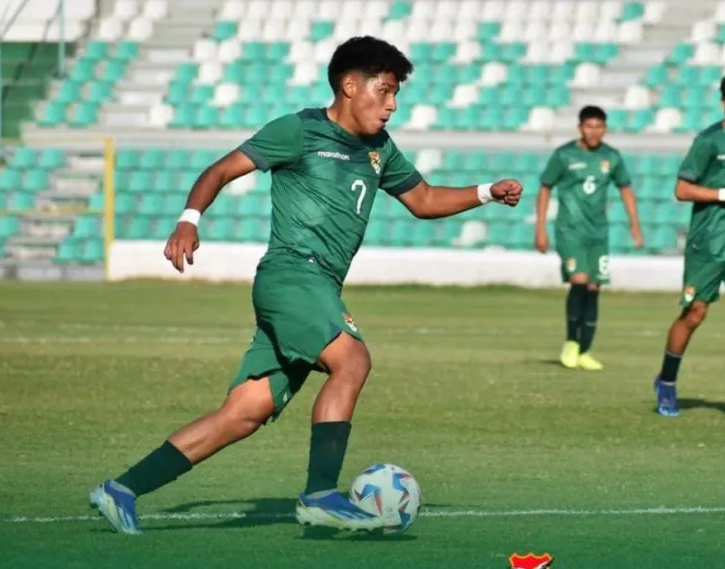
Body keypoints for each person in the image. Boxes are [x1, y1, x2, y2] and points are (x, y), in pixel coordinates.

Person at [89, 36, 523, 535]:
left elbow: (423, 199)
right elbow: (222, 169)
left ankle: (121, 489)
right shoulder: (298, 130)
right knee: (353, 359)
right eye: (384, 92)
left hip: (318, 286)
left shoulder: (380, 149)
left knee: (244, 413)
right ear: (349, 85)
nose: (392, 105)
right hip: (293, 273)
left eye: (396, 95)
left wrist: (487, 193)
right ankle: (319, 494)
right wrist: (190, 219)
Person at [652, 66, 725, 418]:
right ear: (724, 102)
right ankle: (667, 382)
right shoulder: (708, 141)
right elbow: (682, 189)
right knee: (694, 314)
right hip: (707, 242)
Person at [534, 105, 643, 371]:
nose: (594, 132)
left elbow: (625, 189)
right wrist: (540, 228)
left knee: (594, 287)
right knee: (579, 281)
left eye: (599, 126)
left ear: (605, 128)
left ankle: (585, 350)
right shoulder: (564, 155)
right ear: (579, 127)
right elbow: (545, 188)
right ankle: (571, 342)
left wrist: (635, 225)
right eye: (589, 126)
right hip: (570, 230)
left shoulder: (612, 157)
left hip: (598, 233)